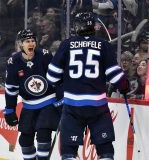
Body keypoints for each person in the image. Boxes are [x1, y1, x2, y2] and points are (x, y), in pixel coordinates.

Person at [46, 11, 129, 160]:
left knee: (68, 151)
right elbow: (116, 77)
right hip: (98, 107)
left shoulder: (67, 45)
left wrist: (64, 81)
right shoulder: (103, 45)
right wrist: (124, 87)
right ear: (94, 26)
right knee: (105, 150)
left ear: (76, 27)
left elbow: (51, 77)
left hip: (72, 106)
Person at [3, 29, 61, 160]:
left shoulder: (45, 55)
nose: (31, 44)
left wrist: (61, 99)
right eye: (27, 41)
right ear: (20, 44)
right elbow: (11, 89)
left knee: (43, 134)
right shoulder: (13, 62)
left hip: (48, 102)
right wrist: (9, 109)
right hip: (28, 106)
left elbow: (57, 79)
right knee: (25, 140)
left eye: (33, 41)